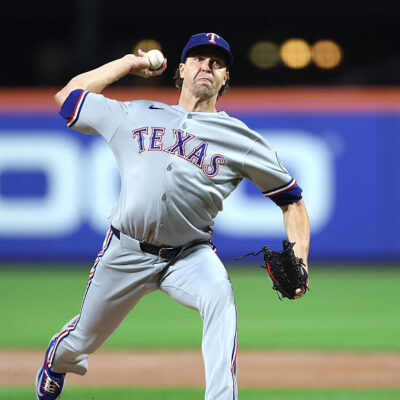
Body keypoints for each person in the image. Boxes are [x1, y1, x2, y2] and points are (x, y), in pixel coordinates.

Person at [36, 32, 310, 400]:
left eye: (217, 63)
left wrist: (302, 261)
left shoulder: (240, 138)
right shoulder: (134, 113)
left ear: (225, 78)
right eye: (198, 59)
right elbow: (67, 96)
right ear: (180, 69)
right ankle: (58, 362)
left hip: (190, 255)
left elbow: (291, 200)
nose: (207, 67)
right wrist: (130, 64)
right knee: (83, 337)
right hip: (126, 251)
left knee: (220, 299)